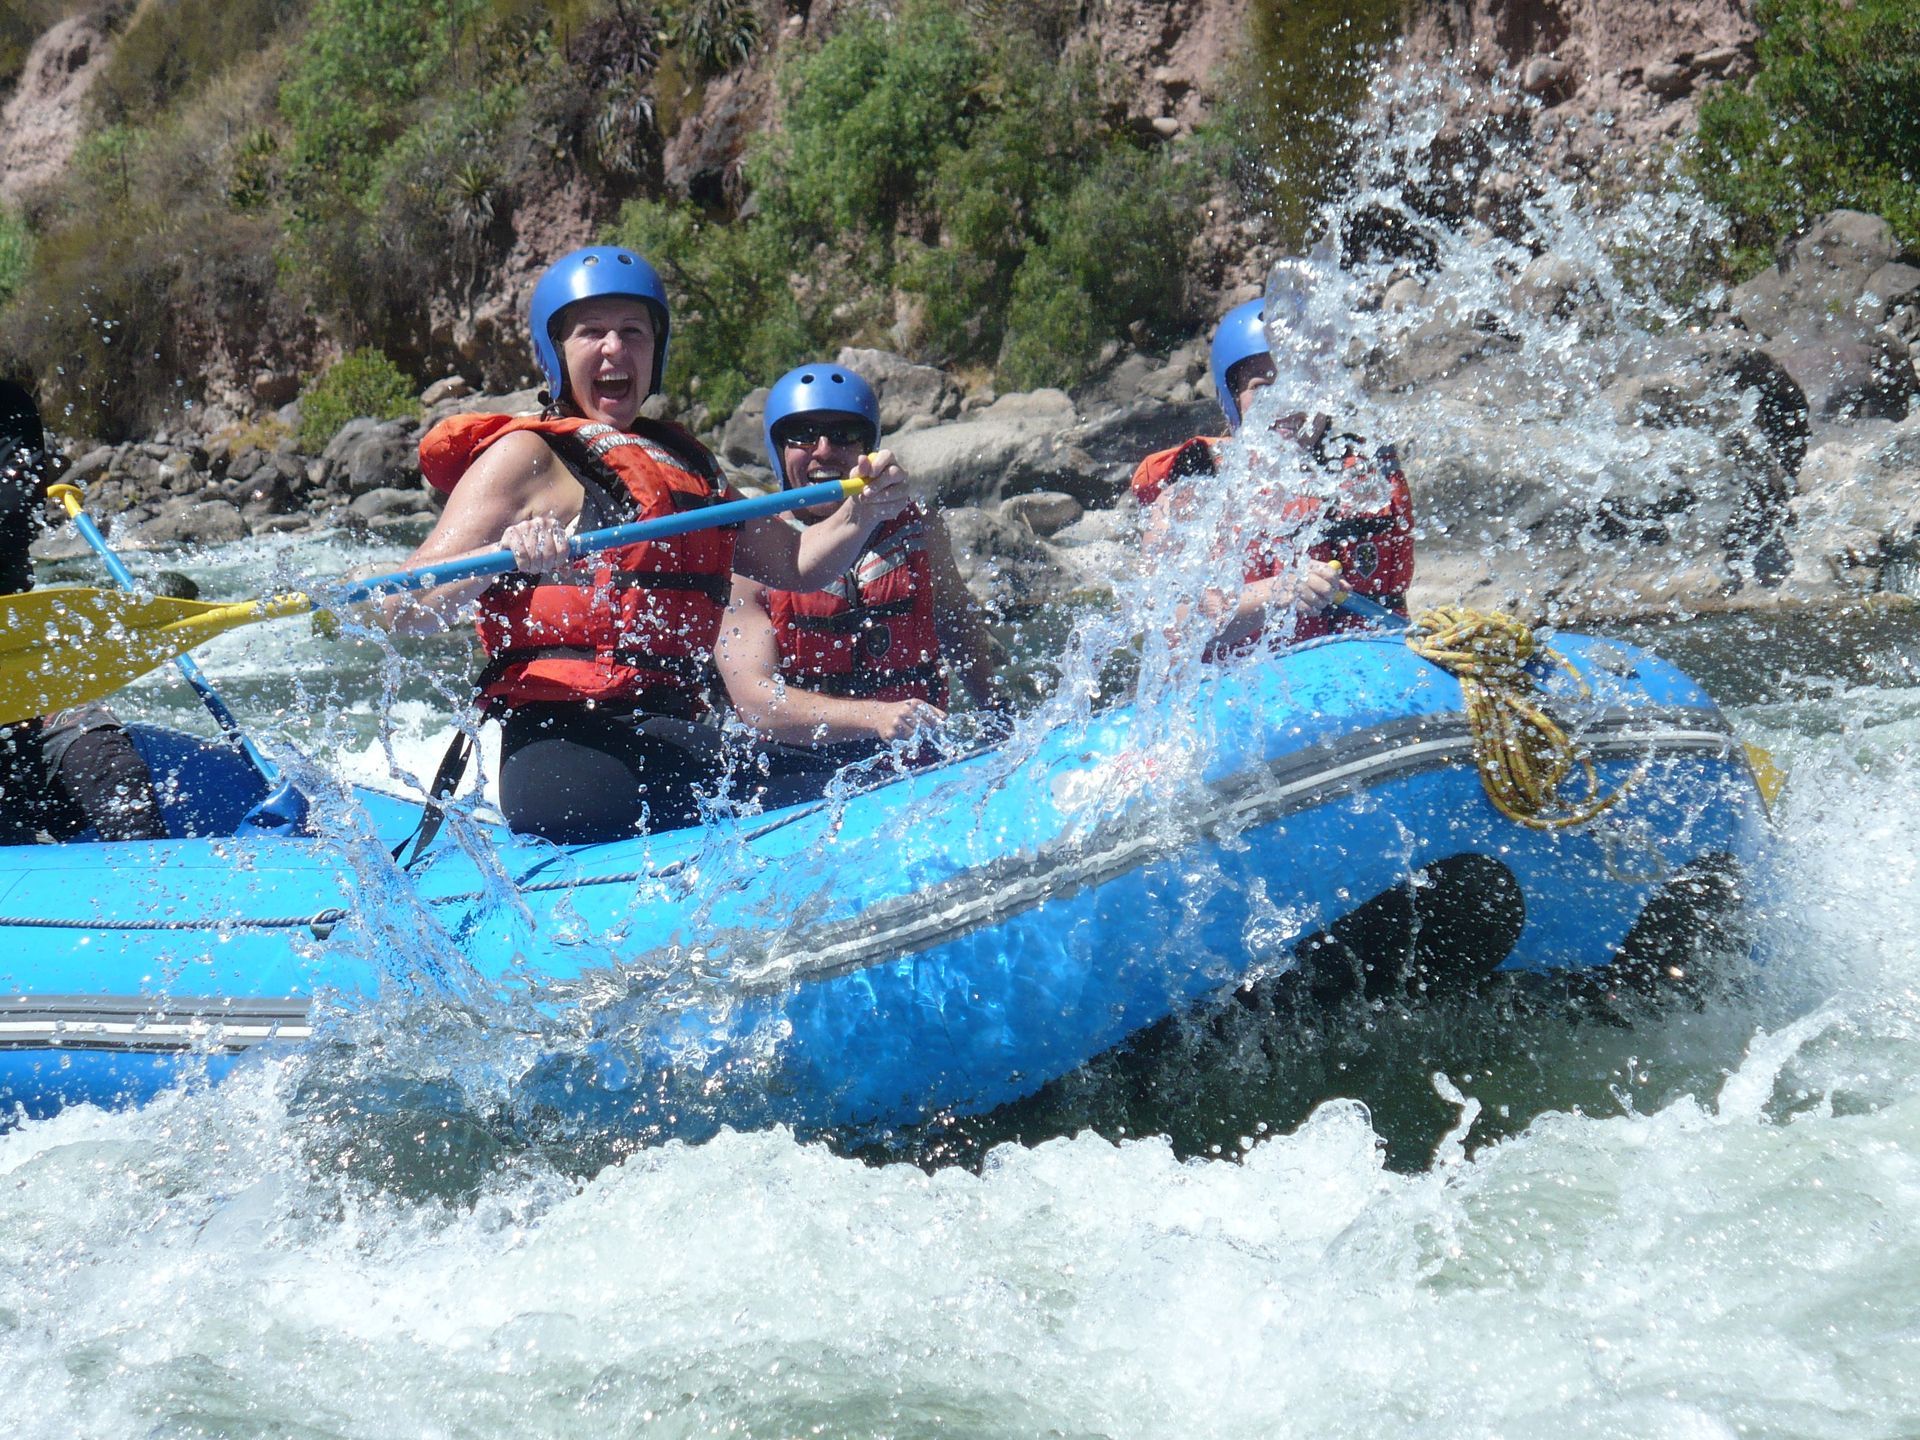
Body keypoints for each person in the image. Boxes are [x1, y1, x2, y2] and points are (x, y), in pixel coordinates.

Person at [384, 247, 915, 843]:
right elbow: (402, 607)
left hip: (663, 732)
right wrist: (499, 560)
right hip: (567, 756)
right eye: (591, 332)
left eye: (633, 332)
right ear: (556, 353)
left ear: (654, 352)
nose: (615, 348)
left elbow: (796, 564)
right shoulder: (525, 457)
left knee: (855, 771)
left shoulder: (687, 463)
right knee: (843, 783)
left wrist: (865, 508)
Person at [714, 363, 997, 794]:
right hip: (804, 777)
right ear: (778, 451)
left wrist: (1001, 719)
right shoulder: (750, 555)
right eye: (803, 435)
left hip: (918, 760)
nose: (824, 451)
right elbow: (756, 702)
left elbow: (957, 626)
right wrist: (876, 716)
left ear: (869, 446)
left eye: (844, 434)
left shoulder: (920, 530)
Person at [1130, 296, 1415, 656]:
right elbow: (1166, 625)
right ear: (1233, 398)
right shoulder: (1193, 492)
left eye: (1301, 383)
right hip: (1243, 691)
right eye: (1262, 387)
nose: (1286, 402)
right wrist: (1278, 591)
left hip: (1369, 673)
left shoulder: (1368, 479)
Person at [0, 379, 169, 846]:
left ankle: (166, 903)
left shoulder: (9, 409)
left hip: (18, 681)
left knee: (114, 769)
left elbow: (10, 511)